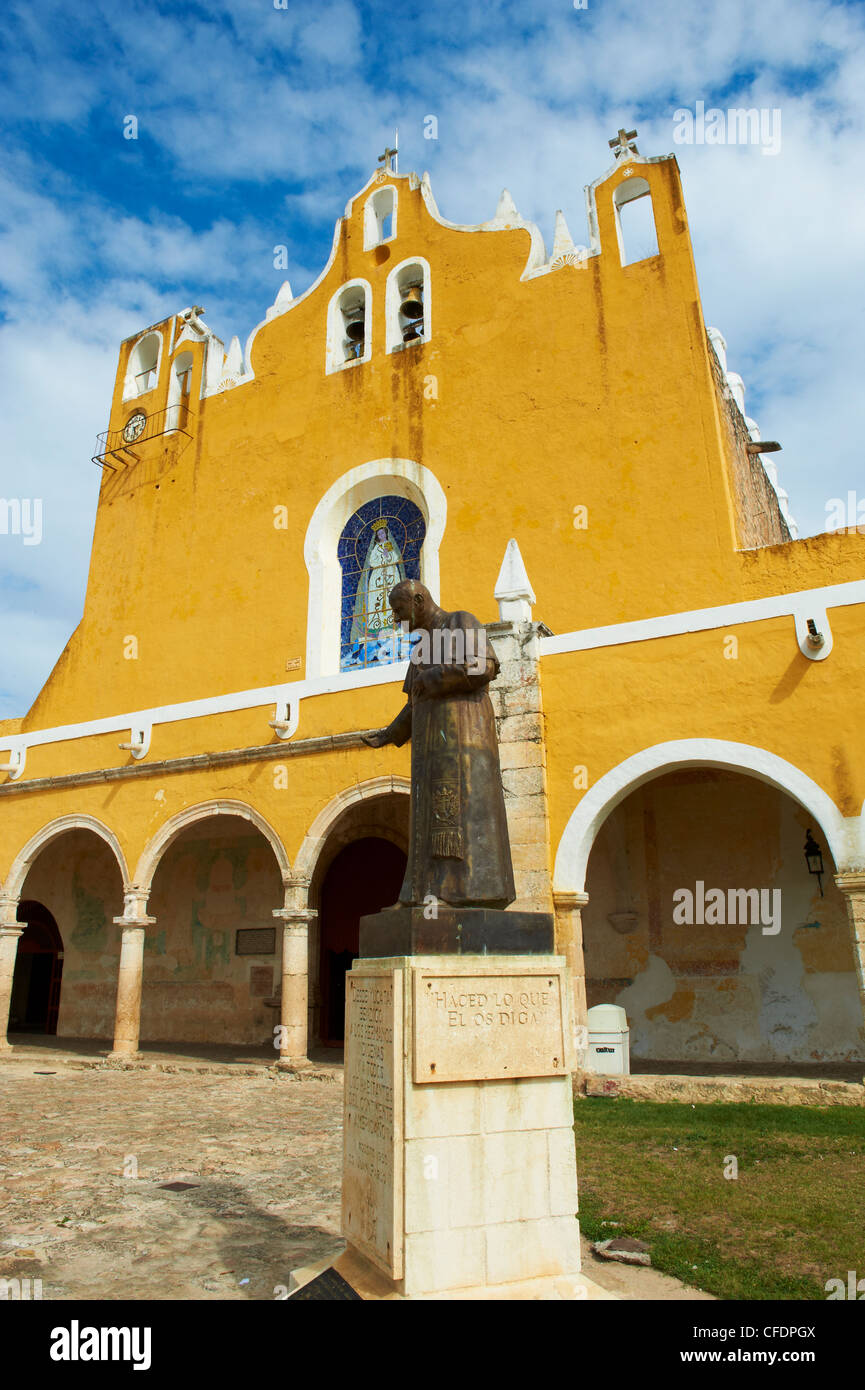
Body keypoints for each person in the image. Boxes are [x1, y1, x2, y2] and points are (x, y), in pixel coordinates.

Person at [362, 579, 516, 908]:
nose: (396, 618)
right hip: (431, 747)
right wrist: (391, 733)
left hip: (464, 738)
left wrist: (432, 677)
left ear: (418, 601)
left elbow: (482, 666)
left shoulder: (459, 622)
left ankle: (460, 894)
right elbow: (415, 699)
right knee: (428, 818)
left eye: (399, 610)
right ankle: (420, 895)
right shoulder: (422, 646)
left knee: (459, 814)